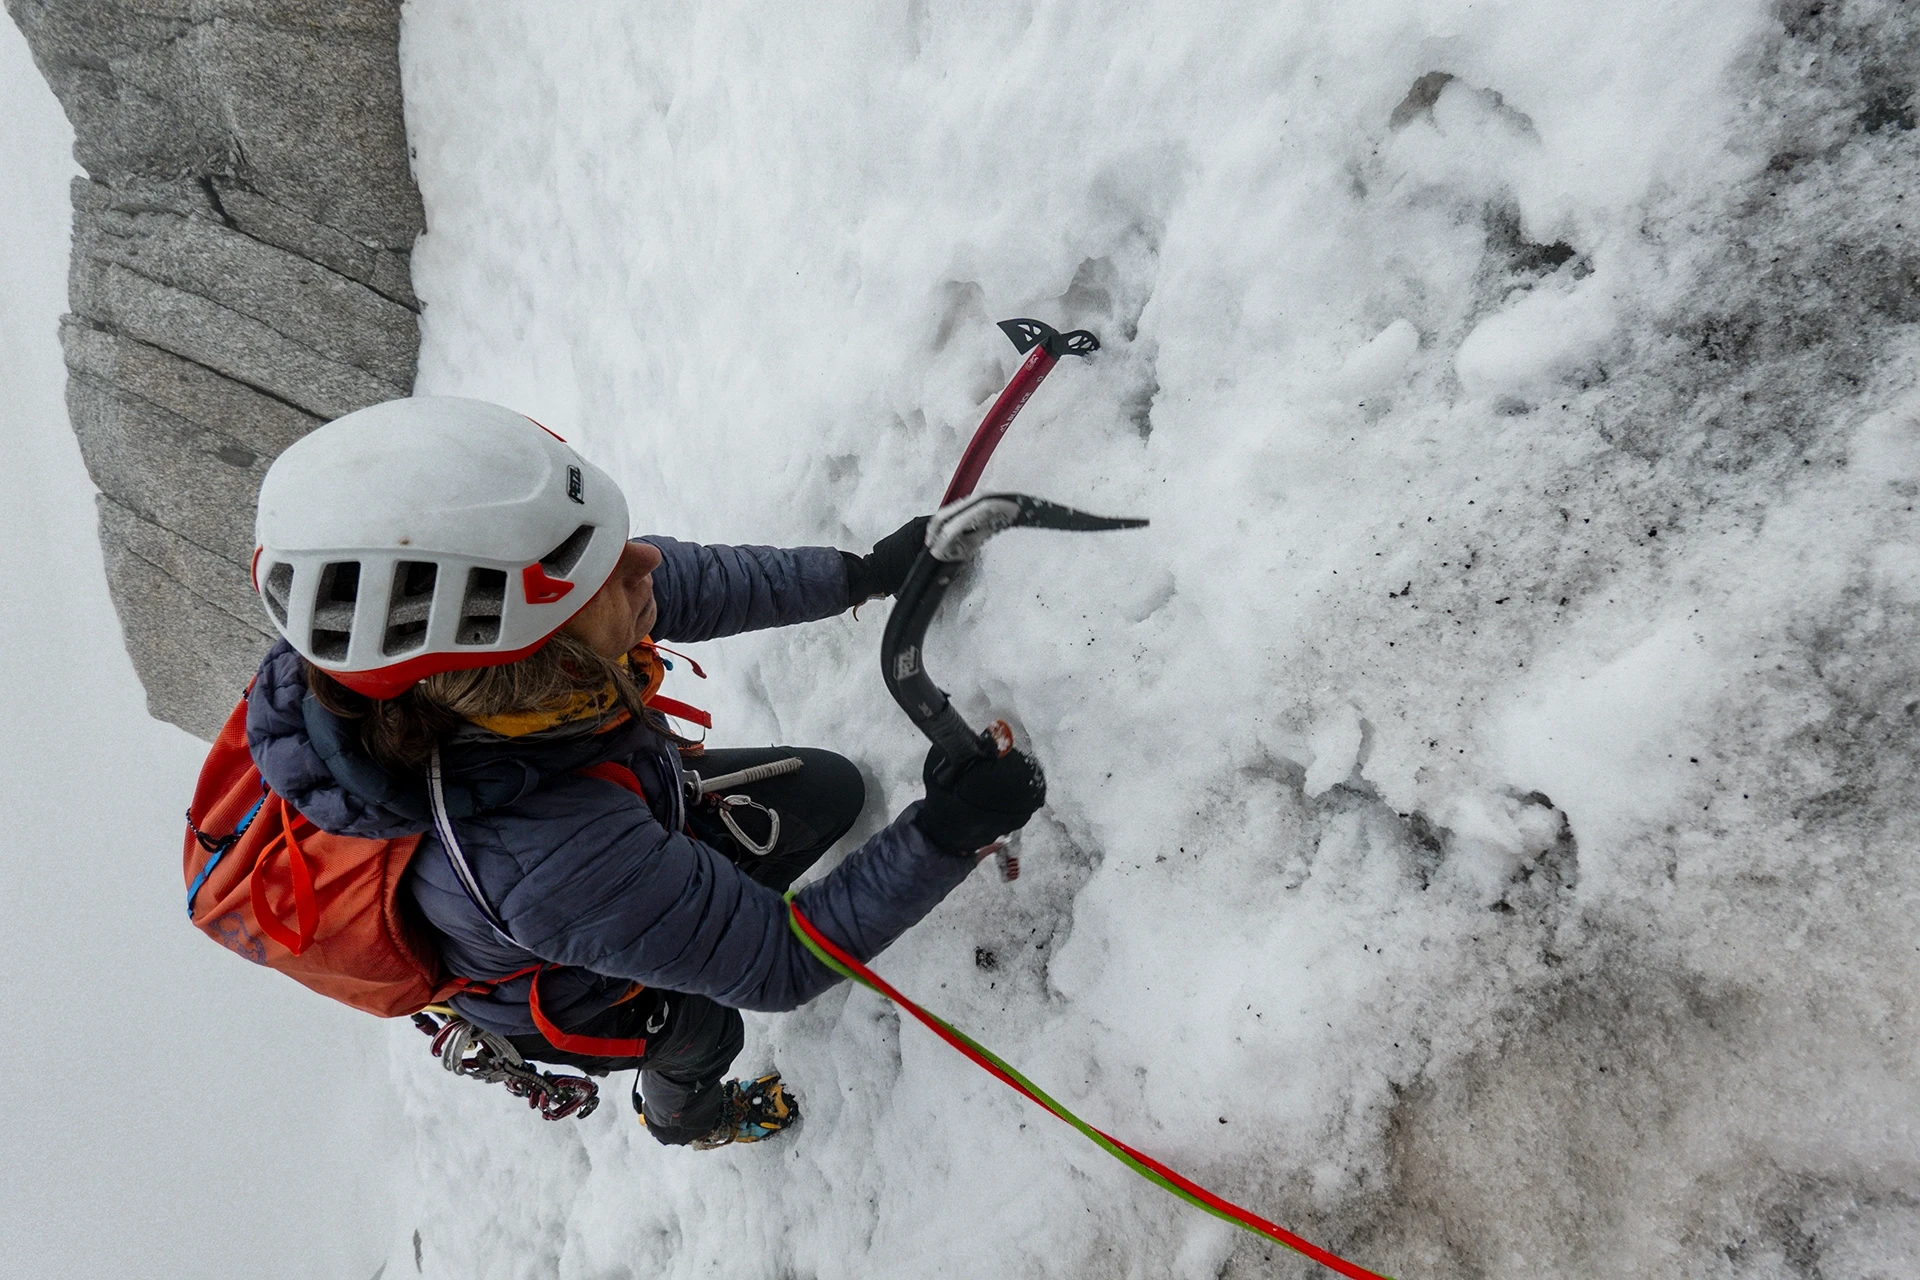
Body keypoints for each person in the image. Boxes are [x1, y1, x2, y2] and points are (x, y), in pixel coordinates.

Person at [244, 396, 1045, 1148]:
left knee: (827, 793)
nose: (646, 560)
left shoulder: (470, 660)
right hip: (564, 984)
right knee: (707, 1027)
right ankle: (684, 1117)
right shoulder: (543, 858)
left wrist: (862, 574)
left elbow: (681, 584)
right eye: (607, 573)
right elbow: (779, 963)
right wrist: (949, 831)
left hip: (605, 833)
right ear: (536, 656)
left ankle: (678, 917)